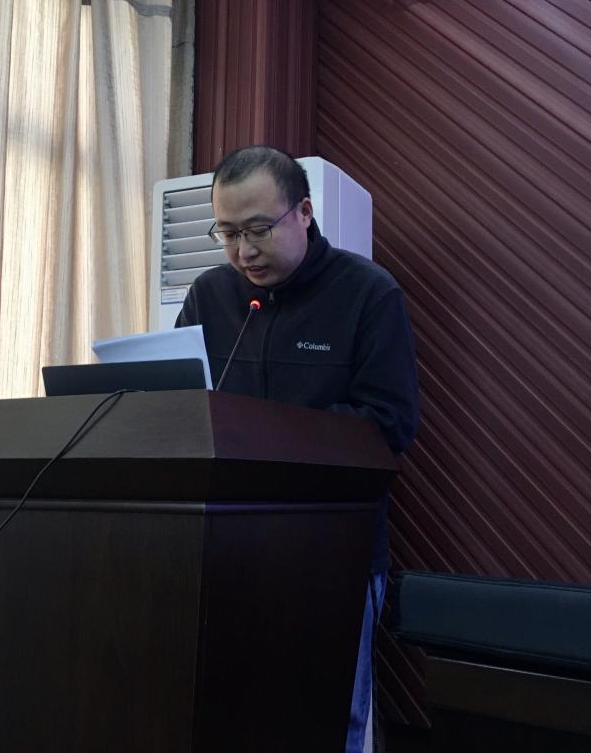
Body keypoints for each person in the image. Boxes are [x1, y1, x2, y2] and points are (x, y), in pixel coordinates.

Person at [175, 145, 418, 752]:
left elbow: (389, 425)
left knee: (331, 722)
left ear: (304, 213)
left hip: (334, 551)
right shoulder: (209, 295)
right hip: (225, 547)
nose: (243, 251)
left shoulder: (368, 293)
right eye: (228, 233)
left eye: (259, 229)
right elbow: (180, 404)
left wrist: (265, 433)